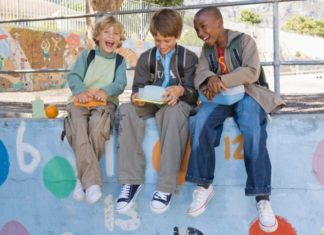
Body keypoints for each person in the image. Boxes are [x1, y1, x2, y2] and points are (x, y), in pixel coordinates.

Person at [185, 7, 285, 233]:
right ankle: (203, 185)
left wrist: (220, 79)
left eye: (204, 27)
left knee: (252, 128)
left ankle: (262, 197)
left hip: (248, 93)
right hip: (222, 98)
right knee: (200, 121)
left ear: (219, 22)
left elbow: (251, 71)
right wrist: (210, 78)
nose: (200, 33)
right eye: (197, 29)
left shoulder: (244, 41)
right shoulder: (206, 49)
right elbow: (200, 72)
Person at [115, 8, 198, 214]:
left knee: (171, 113)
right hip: (151, 103)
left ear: (177, 36)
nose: (162, 45)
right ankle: (131, 182)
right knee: (126, 109)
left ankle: (165, 187)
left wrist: (180, 90)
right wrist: (136, 97)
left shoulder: (189, 58)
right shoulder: (146, 58)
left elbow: (195, 94)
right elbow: (137, 89)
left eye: (167, 40)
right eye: (157, 40)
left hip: (176, 104)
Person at [66, 16, 127, 204]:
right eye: (106, 32)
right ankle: (91, 183)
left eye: (116, 33)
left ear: (120, 39)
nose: (111, 36)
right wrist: (81, 91)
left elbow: (120, 83)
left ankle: (80, 179)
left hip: (104, 103)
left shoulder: (120, 61)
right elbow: (74, 76)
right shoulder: (87, 55)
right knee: (78, 127)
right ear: (97, 36)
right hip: (81, 101)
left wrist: (106, 91)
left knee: (97, 127)